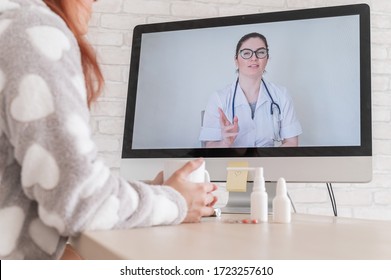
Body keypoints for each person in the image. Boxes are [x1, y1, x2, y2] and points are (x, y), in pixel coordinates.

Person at [0, 0, 217, 260]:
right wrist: (175, 202)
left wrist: (155, 193)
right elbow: (78, 202)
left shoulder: (11, 22)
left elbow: (57, 187)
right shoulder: (31, 30)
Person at [199, 32, 302, 148]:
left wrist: (271, 162)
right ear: (236, 61)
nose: (254, 58)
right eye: (246, 53)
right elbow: (209, 148)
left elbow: (291, 143)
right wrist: (225, 143)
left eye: (261, 53)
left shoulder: (281, 95)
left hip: (269, 163)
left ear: (267, 59)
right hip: (231, 164)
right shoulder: (218, 98)